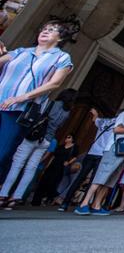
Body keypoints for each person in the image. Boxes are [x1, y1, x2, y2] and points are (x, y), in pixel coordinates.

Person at [0, 19, 77, 184]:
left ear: (60, 38)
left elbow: (55, 83)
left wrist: (22, 97)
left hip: (19, 110)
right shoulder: (20, 52)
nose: (45, 31)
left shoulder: (62, 57)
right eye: (44, 28)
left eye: (52, 29)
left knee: (3, 151)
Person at [0, 87, 76, 209]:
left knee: (17, 164)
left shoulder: (52, 104)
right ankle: (16, 197)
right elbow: (59, 126)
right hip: (47, 141)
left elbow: (37, 116)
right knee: (31, 168)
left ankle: (3, 194)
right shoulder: (67, 112)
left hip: (34, 136)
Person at [75, 94, 124, 215]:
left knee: (111, 179)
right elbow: (117, 129)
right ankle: (84, 203)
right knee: (101, 176)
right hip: (114, 149)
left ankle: (97, 205)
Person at [59, 109, 115, 211]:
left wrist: (95, 113)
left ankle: (65, 203)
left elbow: (94, 119)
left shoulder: (102, 121)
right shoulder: (118, 124)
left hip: (92, 152)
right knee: (93, 181)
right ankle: (83, 204)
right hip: (102, 154)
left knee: (79, 178)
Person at [32, 133, 78, 206]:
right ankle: (36, 201)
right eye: (66, 137)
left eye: (69, 137)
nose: (67, 138)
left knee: (53, 183)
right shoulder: (61, 146)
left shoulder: (74, 147)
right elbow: (53, 156)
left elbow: (75, 157)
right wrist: (48, 165)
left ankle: (47, 198)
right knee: (43, 181)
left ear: (73, 139)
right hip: (53, 165)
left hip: (61, 167)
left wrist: (68, 162)